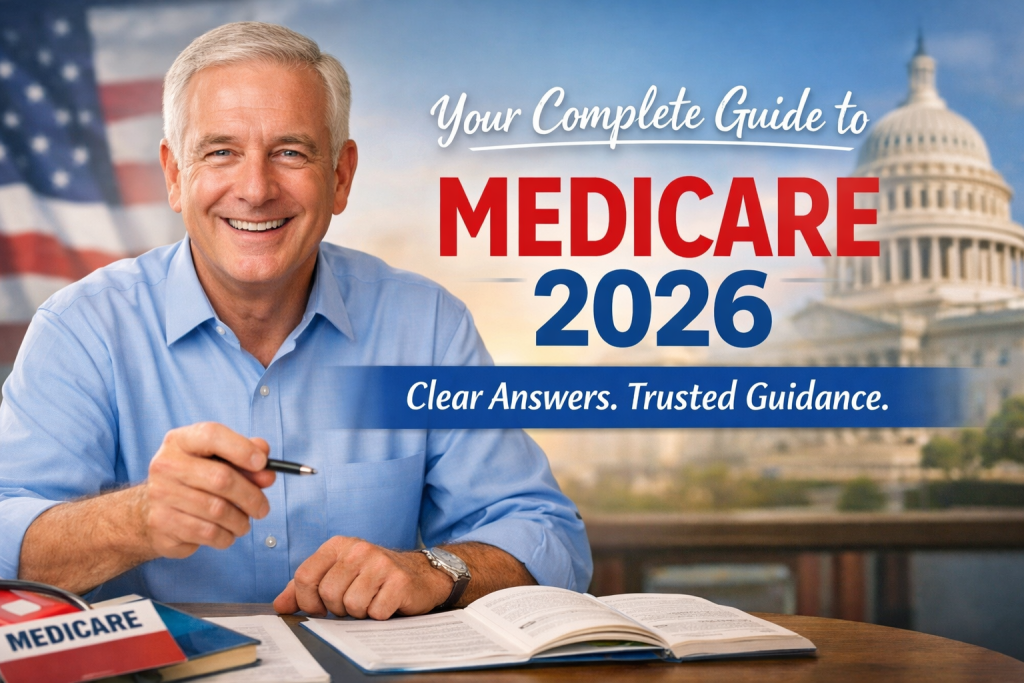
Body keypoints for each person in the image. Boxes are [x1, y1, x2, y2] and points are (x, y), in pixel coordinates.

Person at [0, 22, 591, 620]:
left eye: (290, 152)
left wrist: (435, 570)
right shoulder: (83, 330)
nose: (255, 189)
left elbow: (548, 536)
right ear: (176, 175)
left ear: (340, 177)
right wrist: (137, 518)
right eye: (221, 151)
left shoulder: (427, 326)